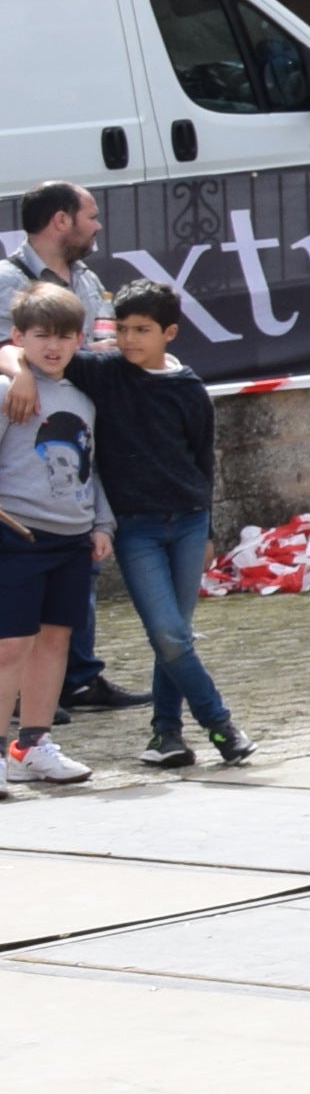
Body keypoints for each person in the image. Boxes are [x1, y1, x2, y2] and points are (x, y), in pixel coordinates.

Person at [77, 282, 246, 769]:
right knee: (169, 635)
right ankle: (221, 725)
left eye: (142, 330)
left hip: (190, 524)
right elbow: (23, 351)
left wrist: (210, 528)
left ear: (169, 332)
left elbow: (202, 463)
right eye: (122, 328)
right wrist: (19, 376)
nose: (129, 339)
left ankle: (165, 736)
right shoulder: (104, 371)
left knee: (175, 634)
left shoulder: (189, 389)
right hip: (136, 529)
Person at [6, 185, 123, 714]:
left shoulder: (90, 280)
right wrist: (18, 373)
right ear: (60, 220)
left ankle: (70, 687)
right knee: (14, 636)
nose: (97, 226)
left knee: (61, 622)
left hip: (80, 458)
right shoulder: (9, 277)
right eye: (90, 216)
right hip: (22, 515)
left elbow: (103, 341)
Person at [0, 287, 107, 788]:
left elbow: (95, 468)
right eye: (41, 335)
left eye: (64, 336)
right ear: (19, 336)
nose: (53, 346)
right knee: (10, 646)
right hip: (17, 535)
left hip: (73, 537)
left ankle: (32, 744)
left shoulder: (86, 395)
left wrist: (102, 524)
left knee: (55, 640)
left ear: (79, 339)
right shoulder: (10, 390)